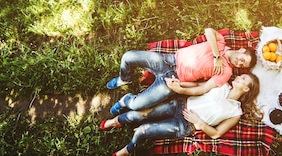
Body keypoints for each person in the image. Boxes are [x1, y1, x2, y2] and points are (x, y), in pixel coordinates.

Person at [101, 73, 262, 156]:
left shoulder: (235, 112)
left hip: (184, 125)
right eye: (241, 76)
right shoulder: (222, 85)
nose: (239, 77)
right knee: (140, 114)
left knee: (144, 130)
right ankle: (117, 121)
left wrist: (199, 122)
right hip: (179, 104)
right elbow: (199, 86)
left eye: (243, 79)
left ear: (246, 89)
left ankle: (128, 149)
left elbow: (217, 133)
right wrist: (180, 84)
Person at [106, 28, 257, 115]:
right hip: (169, 60)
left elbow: (203, 88)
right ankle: (125, 78)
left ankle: (126, 99)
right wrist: (217, 55)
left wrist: (180, 89)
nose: (239, 63)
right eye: (243, 59)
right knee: (128, 57)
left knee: (137, 105)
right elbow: (209, 31)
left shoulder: (226, 72)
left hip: (174, 79)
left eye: (243, 65)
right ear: (242, 50)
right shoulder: (221, 42)